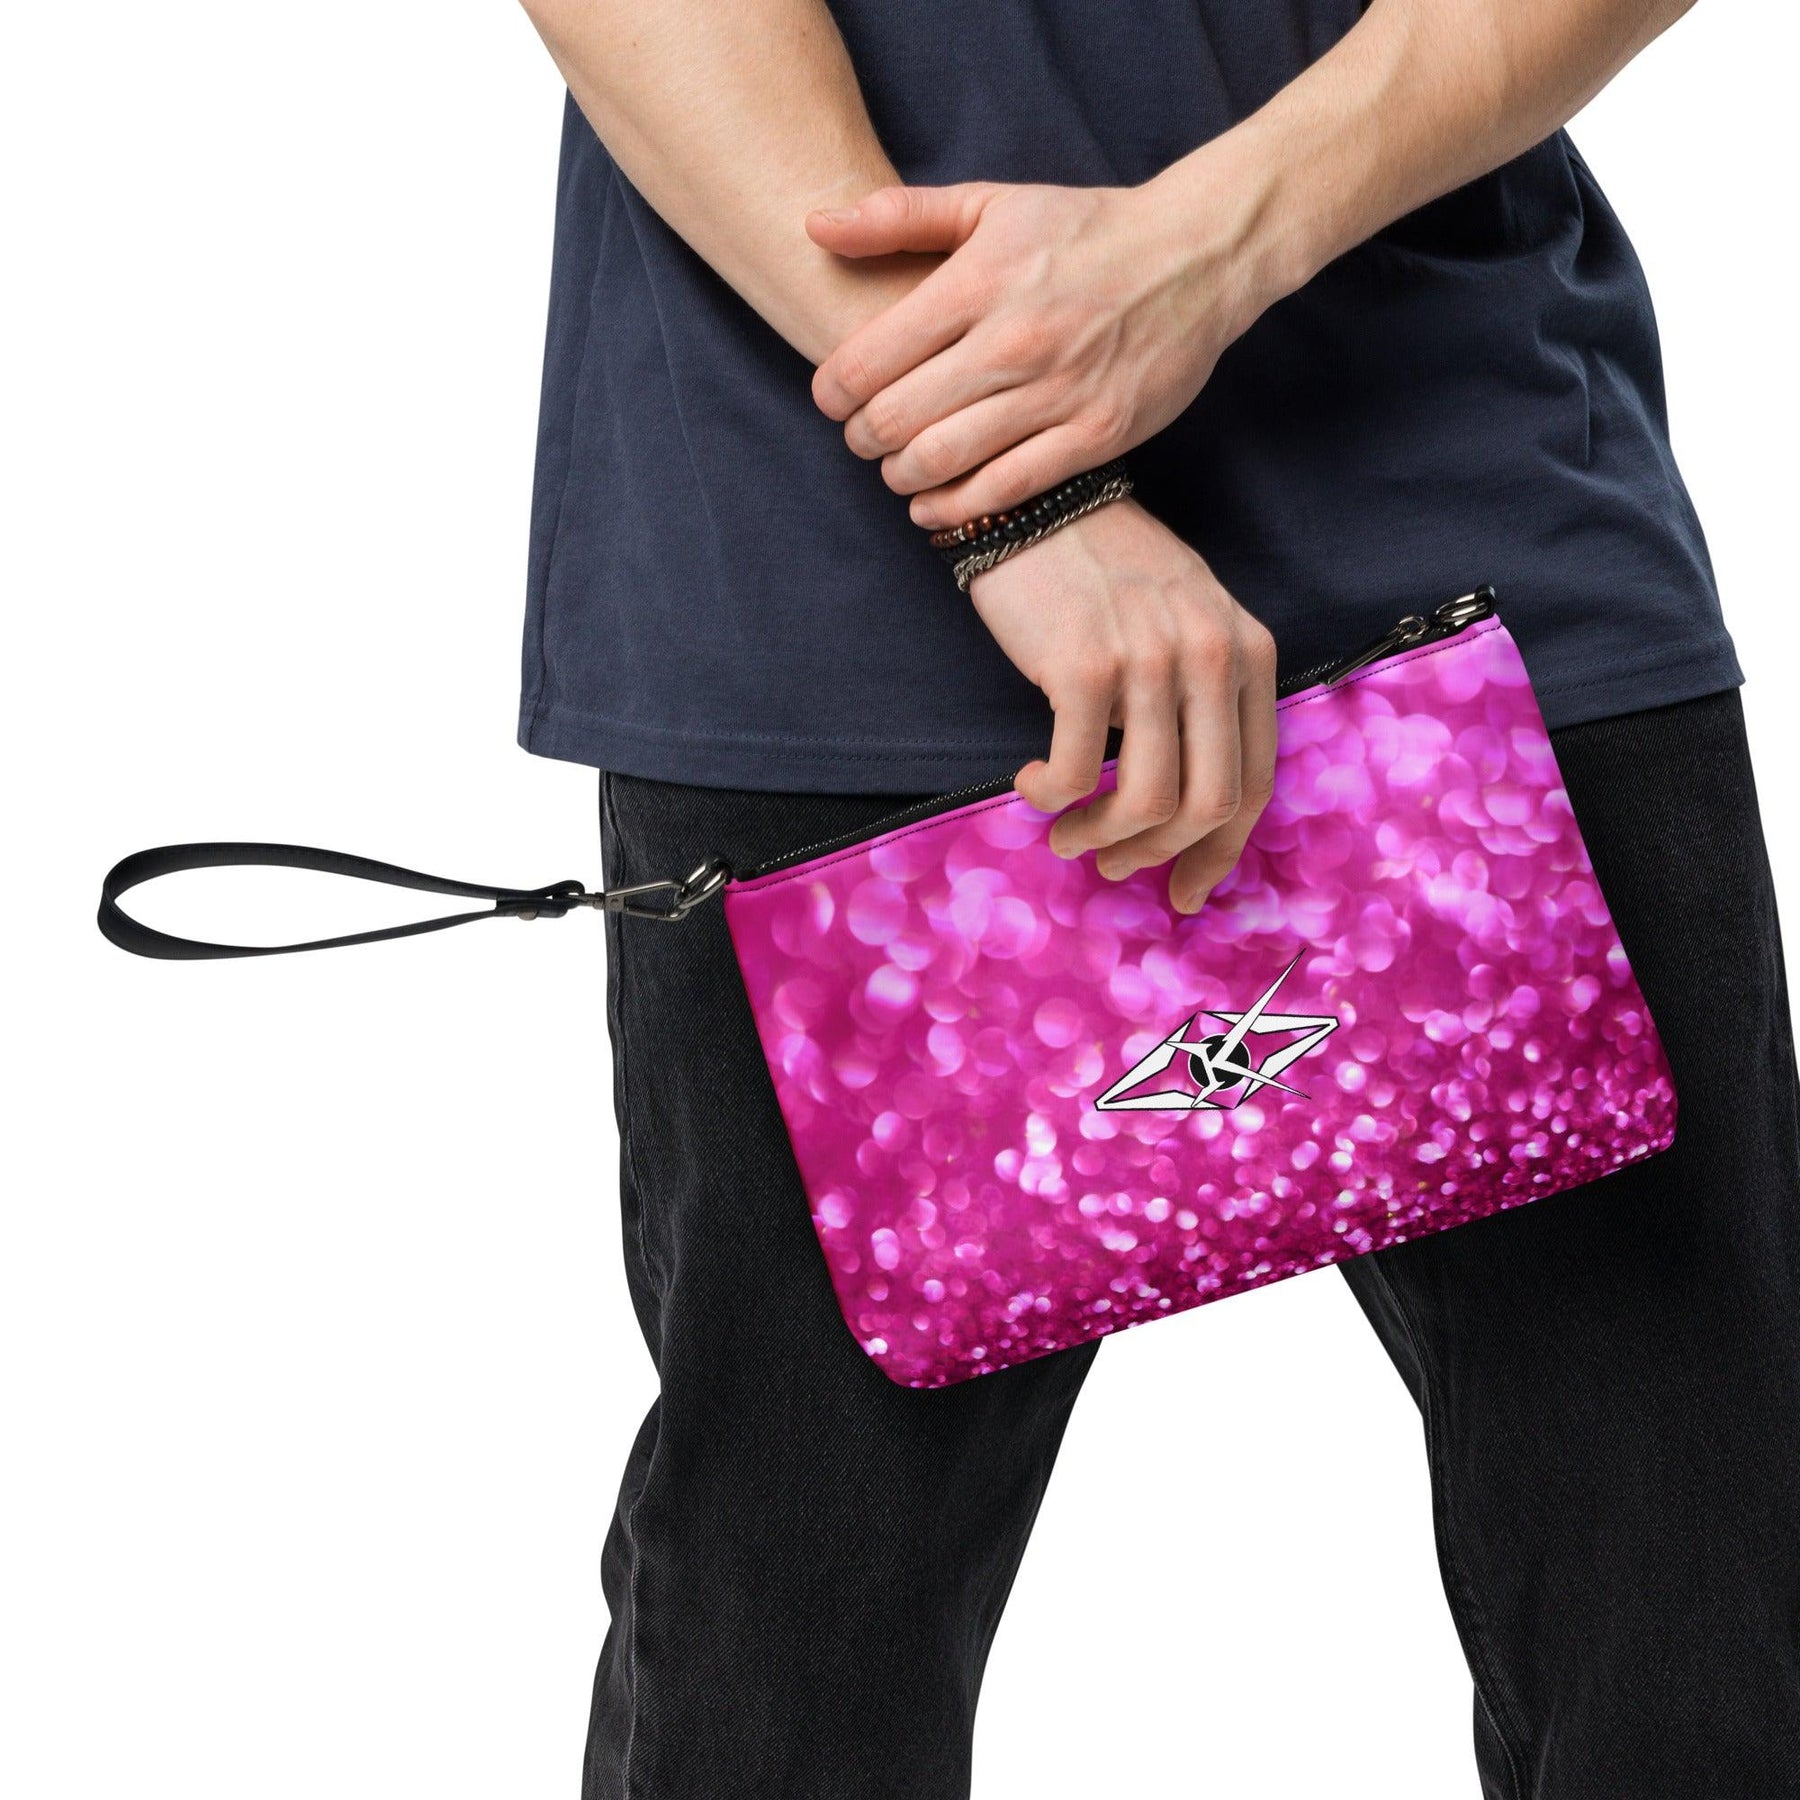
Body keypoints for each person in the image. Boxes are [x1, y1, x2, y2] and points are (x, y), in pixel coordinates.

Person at [512, 2, 1800, 1794]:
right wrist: (1011, 498)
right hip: (826, 513)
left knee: (1705, 1621)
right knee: (794, 1643)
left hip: (1455, 478)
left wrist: (1206, 246)